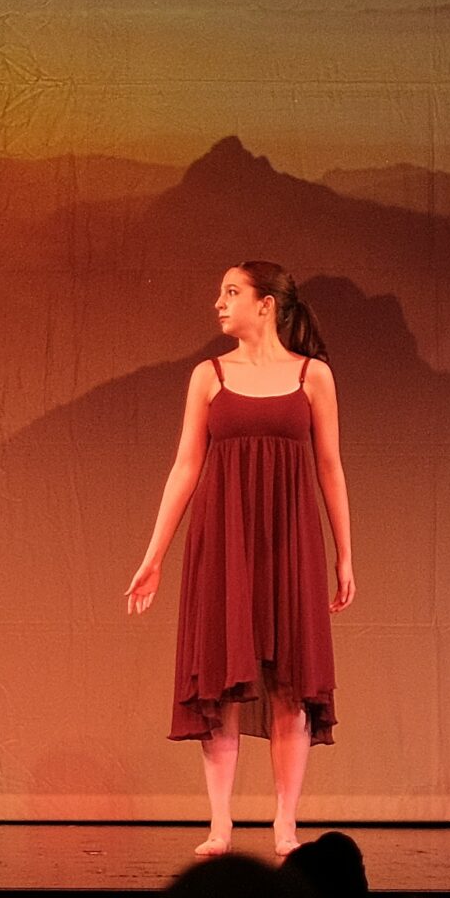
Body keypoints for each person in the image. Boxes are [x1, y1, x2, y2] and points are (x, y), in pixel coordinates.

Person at [126, 262, 353, 857]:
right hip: (222, 538)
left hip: (290, 539)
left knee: (289, 680)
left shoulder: (312, 375)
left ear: (266, 304)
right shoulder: (209, 376)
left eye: (232, 292)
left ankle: (285, 822)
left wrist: (344, 555)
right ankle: (221, 823)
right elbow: (185, 466)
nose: (219, 303)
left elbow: (330, 467)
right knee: (221, 679)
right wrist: (154, 555)